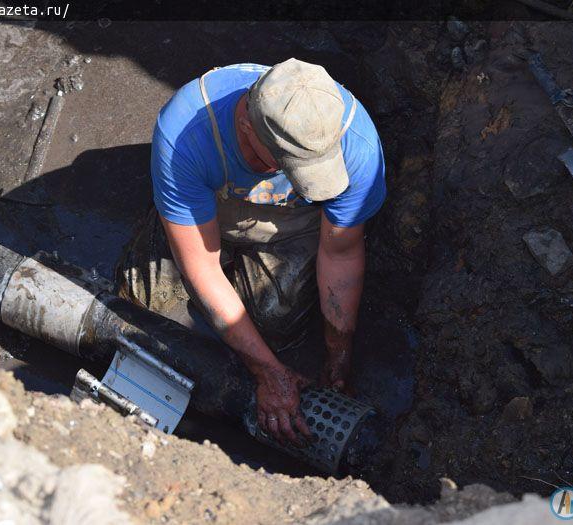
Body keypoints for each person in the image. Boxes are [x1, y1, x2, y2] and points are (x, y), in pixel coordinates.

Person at [117, 59, 386, 445]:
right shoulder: (186, 134)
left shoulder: (356, 147)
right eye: (290, 164)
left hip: (292, 222)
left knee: (274, 321)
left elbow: (340, 254)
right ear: (246, 125)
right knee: (144, 304)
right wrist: (268, 373)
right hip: (207, 204)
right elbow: (202, 268)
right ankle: (168, 212)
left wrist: (337, 357)